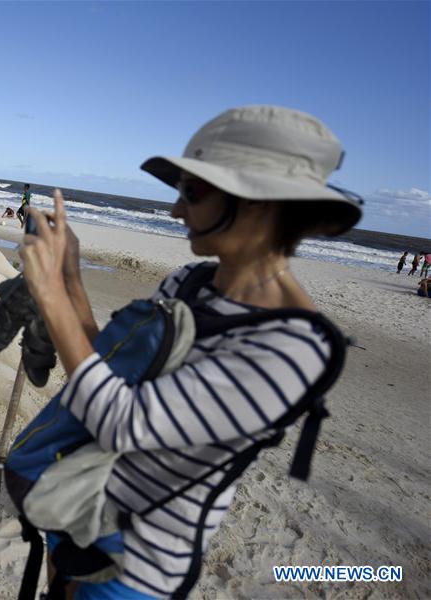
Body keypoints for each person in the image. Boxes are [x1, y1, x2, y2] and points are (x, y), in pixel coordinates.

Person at [18, 105, 362, 599]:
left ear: (261, 203)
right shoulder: (190, 282)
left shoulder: (292, 349)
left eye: (192, 191)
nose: (177, 209)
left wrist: (49, 293)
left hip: (134, 566)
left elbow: (120, 421)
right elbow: (105, 370)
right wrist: (71, 275)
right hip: (79, 507)